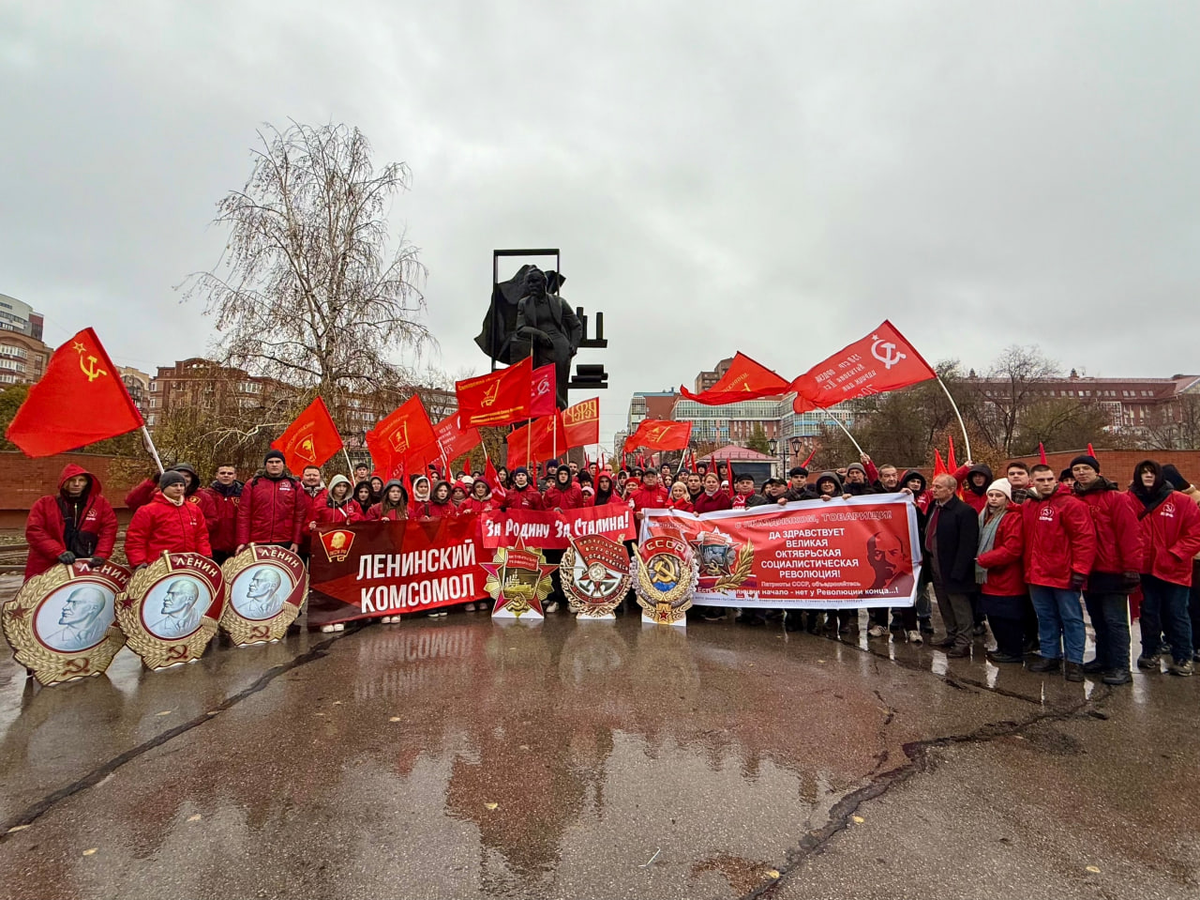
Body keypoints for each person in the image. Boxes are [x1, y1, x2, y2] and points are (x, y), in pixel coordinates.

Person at [1070, 454, 1143, 685]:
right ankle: (1103, 658)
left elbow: (1130, 534)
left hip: (1112, 569)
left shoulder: (1115, 498)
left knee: (1116, 621)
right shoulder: (1075, 499)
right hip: (1088, 571)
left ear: (1096, 471)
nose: (1081, 472)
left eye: (1086, 468)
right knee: (1098, 619)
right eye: (1077, 469)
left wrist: (1131, 567)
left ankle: (1121, 666)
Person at [1022, 464, 1095, 680]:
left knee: (1071, 618)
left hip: (1063, 574)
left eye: (1049, 479)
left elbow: (1084, 538)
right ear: (1032, 482)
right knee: (1045, 617)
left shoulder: (1071, 504)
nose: (1046, 483)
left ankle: (1074, 662)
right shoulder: (1028, 505)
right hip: (1036, 574)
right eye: (1041, 480)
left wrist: (1080, 570)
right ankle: (1050, 655)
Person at [1130, 460, 1200, 676]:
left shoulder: (1181, 501)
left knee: (1177, 613)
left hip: (1174, 569)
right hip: (1144, 568)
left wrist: (1175, 554)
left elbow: (1195, 534)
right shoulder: (1129, 500)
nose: (1148, 476)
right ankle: (1150, 651)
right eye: (1143, 473)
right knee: (1149, 613)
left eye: (1152, 472)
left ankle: (1183, 655)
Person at [25, 463, 118, 580]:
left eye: (81, 480)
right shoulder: (44, 504)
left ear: (87, 483)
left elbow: (109, 529)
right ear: (63, 482)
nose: (77, 484)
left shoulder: (100, 504)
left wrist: (101, 554)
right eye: (72, 480)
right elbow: (34, 531)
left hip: (87, 564)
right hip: (47, 564)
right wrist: (58, 552)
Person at [926, 473, 980, 658]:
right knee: (943, 603)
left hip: (954, 568)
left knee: (959, 606)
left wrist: (959, 570)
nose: (934, 490)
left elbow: (968, 544)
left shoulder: (964, 511)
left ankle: (964, 642)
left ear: (951, 490)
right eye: (933, 486)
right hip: (935, 563)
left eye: (938, 487)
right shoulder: (934, 506)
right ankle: (951, 634)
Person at [975, 479, 1027, 663]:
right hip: (990, 576)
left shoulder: (1013, 517)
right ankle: (1002, 647)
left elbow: (1012, 549)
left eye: (998, 495)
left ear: (1007, 498)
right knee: (994, 616)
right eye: (991, 495)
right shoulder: (984, 516)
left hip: (1007, 576)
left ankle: (1013, 651)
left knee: (1008, 618)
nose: (994, 499)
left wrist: (983, 560)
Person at [126, 471, 213, 568]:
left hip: (189, 564)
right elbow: (136, 539)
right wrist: (139, 562)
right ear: (164, 487)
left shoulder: (194, 509)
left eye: (181, 485)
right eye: (174, 485)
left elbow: (201, 536)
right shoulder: (147, 511)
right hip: (159, 565)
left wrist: (206, 556)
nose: (179, 488)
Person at [1161, 464, 1200, 663]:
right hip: (1182, 560)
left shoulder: (1193, 501)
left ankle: (1194, 645)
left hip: (1192, 561)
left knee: (1191, 607)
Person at [235, 450, 304, 554]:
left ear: (283, 465)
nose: (274, 465)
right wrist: (242, 541)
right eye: (271, 462)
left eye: (277, 462)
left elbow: (299, 515)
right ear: (265, 465)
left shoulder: (294, 485)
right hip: (257, 539)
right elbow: (244, 514)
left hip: (285, 540)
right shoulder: (253, 484)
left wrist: (296, 541)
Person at [196, 464, 243, 565]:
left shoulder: (243, 495)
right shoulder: (206, 495)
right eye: (222, 473)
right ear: (217, 475)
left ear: (235, 476)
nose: (226, 475)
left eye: (229, 473)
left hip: (235, 547)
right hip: (212, 547)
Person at [45, 585, 110, 651]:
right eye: (68, 602)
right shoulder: (52, 641)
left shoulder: (110, 629)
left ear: (93, 608)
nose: (65, 607)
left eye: (74, 603)